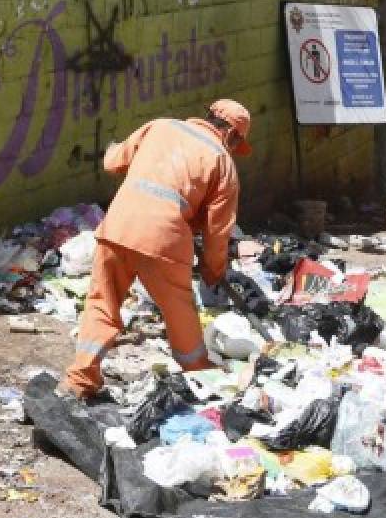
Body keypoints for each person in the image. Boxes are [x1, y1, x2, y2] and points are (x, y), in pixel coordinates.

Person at [60, 99, 252, 401]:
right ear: (231, 135)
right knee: (180, 312)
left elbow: (112, 163)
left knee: (102, 303)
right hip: (164, 240)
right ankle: (200, 376)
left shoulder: (160, 126)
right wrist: (214, 271)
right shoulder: (222, 163)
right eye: (238, 142)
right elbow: (218, 232)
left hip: (118, 226)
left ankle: (80, 379)